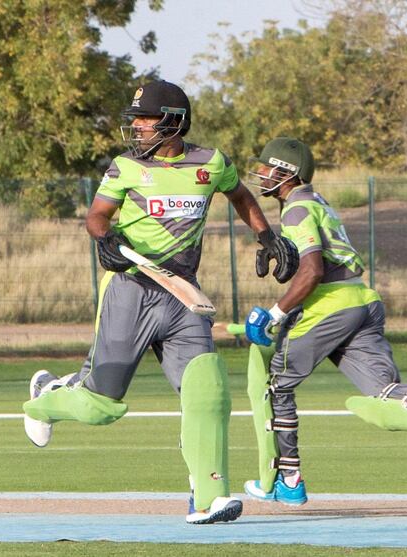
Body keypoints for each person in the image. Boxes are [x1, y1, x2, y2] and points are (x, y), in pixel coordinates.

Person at [21, 80, 299, 524]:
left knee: (205, 390)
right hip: (131, 290)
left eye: (147, 119)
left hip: (183, 294)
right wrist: (105, 237)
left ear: (174, 121)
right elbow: (96, 215)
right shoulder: (125, 167)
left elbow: (241, 195)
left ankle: (209, 496)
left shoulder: (211, 163)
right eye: (137, 120)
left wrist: (266, 235)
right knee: (99, 406)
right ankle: (46, 397)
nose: (139, 127)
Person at [241, 137, 407, 506]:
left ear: (287, 172)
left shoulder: (295, 209)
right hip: (362, 300)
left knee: (276, 386)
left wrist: (274, 313)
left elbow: (311, 272)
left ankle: (288, 479)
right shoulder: (315, 200)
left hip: (330, 305)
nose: (260, 174)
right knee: (383, 390)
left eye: (266, 167)